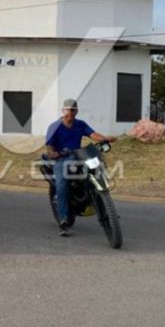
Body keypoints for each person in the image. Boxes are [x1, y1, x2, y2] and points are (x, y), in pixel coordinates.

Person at [45, 98, 116, 237]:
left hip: (78, 156)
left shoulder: (80, 124)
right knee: (62, 185)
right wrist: (53, 153)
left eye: (73, 110)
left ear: (76, 112)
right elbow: (49, 146)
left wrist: (105, 139)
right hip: (61, 158)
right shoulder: (54, 127)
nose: (70, 113)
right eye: (67, 110)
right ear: (63, 110)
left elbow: (93, 134)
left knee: (95, 169)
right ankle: (63, 220)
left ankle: (107, 209)